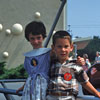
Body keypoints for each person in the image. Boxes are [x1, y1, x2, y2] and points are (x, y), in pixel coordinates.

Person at [46, 30, 100, 100]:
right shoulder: (50, 64)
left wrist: (96, 93)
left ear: (71, 47)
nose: (63, 49)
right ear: (53, 48)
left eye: (66, 46)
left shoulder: (76, 66)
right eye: (59, 46)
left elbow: (85, 82)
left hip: (69, 97)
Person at [16, 21, 51, 100]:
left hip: (44, 88)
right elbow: (31, 74)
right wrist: (23, 86)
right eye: (32, 38)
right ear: (28, 38)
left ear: (43, 37)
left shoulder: (49, 53)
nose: (35, 41)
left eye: (38, 38)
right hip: (30, 88)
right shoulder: (28, 56)